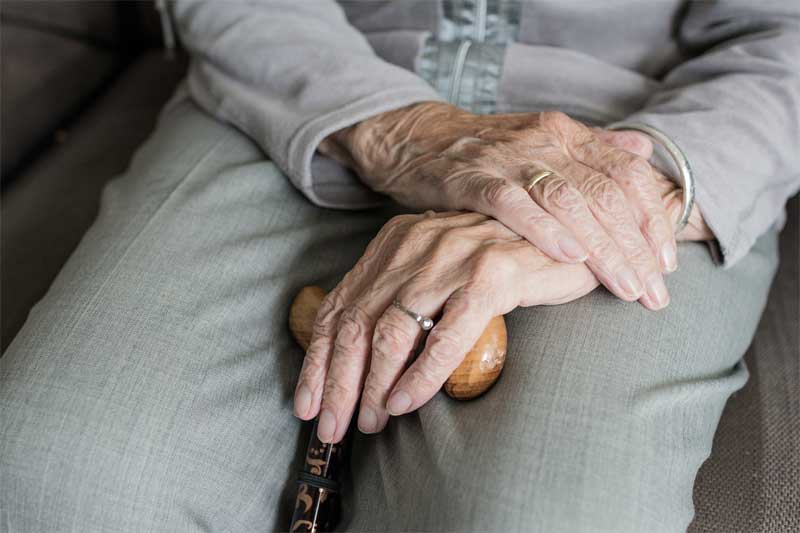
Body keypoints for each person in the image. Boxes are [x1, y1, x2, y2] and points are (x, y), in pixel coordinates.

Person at [2, 1, 798, 531]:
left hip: (646, 132)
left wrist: (617, 195)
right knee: (56, 480)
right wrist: (403, 130)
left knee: (545, 517)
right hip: (296, 85)